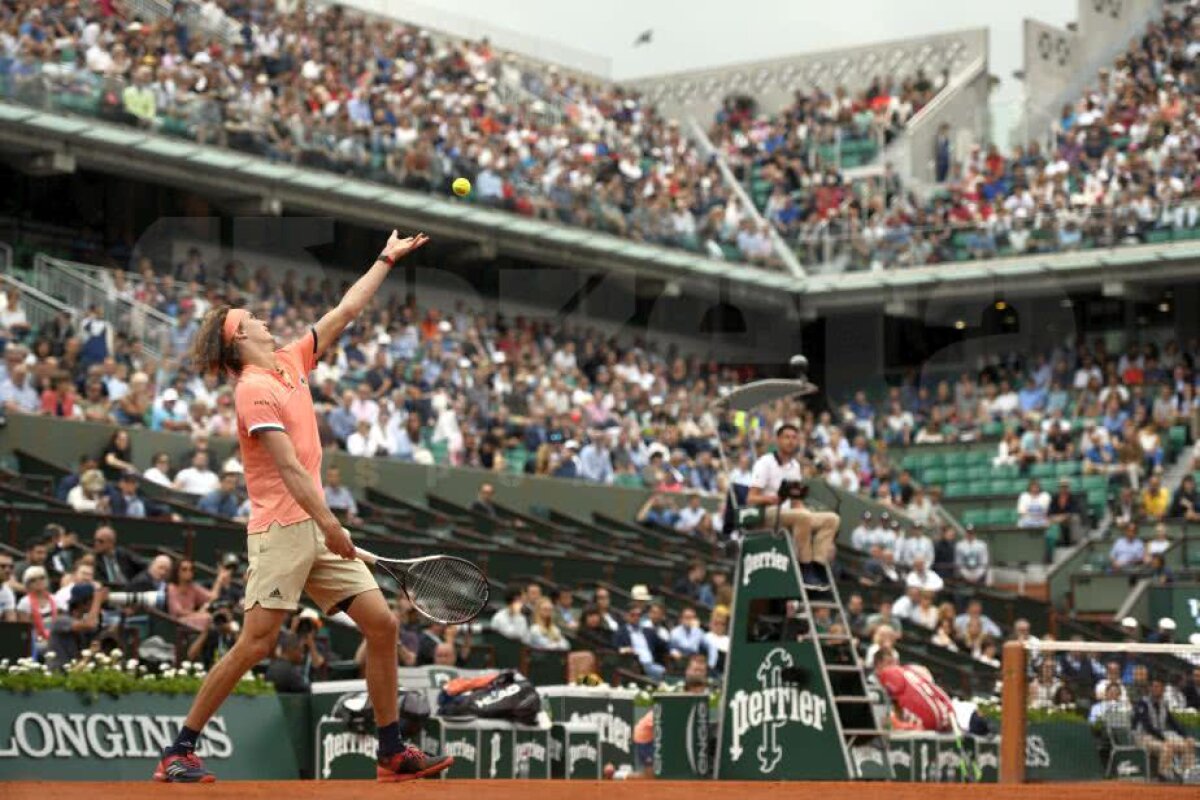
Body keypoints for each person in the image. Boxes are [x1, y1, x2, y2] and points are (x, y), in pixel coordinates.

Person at [158, 231, 451, 783]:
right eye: (252, 318)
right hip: (281, 531)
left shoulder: (290, 361)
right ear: (239, 336)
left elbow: (345, 311)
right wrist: (332, 525)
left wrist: (385, 259)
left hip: (315, 527)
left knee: (382, 625)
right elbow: (290, 469)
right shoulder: (252, 390)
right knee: (257, 643)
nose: (263, 319)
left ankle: (391, 751)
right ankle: (179, 749)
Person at [1132, 676, 1196, 780]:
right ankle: (1164, 776)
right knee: (1166, 747)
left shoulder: (1164, 703)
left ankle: (1187, 774)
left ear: (1163, 689)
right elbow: (1148, 727)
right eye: (1154, 686)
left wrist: (1186, 736)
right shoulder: (1142, 703)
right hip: (1143, 737)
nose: (1155, 689)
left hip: (1160, 736)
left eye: (1159, 687)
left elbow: (1173, 723)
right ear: (1150, 688)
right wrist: (1164, 739)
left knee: (1188, 745)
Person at [46, 582, 108, 670]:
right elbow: (89, 624)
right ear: (82, 602)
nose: (94, 604)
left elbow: (93, 628)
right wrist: (97, 601)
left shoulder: (83, 623)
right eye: (92, 600)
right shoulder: (61, 620)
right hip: (58, 671)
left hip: (76, 670)